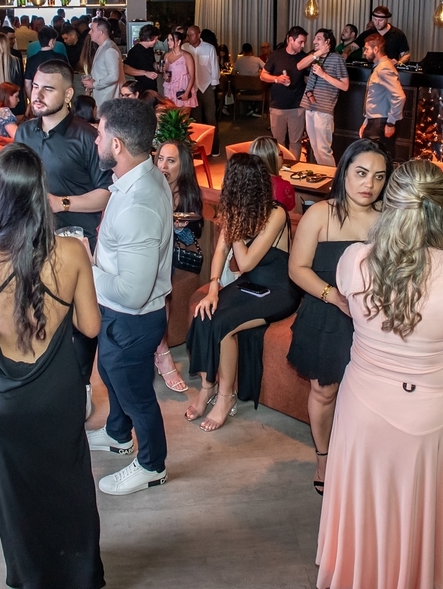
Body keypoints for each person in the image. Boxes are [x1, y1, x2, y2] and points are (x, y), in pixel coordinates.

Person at [0, 144, 105, 586]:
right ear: (39, 193)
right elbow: (90, 326)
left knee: (15, 493)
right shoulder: (71, 252)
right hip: (58, 395)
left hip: (4, 401)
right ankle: (79, 573)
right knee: (68, 483)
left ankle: (30, 575)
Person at [316, 160, 443, 589]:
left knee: (364, 504)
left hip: (363, 407)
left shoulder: (355, 259)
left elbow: (355, 312)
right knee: (417, 511)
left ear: (390, 202)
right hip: (429, 417)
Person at [286, 140, 388, 495]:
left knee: (369, 394)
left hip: (372, 319)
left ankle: (362, 455)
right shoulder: (320, 214)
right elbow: (297, 268)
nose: (369, 184)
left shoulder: (387, 220)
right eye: (361, 173)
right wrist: (335, 297)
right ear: (344, 172)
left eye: (379, 176)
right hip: (327, 312)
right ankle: (324, 457)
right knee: (324, 390)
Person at [85, 99, 174, 497]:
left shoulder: (139, 203)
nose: (96, 140)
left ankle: (152, 465)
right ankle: (118, 435)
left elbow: (132, 293)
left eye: (100, 133)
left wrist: (84, 268)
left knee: (137, 395)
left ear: (117, 144)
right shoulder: (139, 176)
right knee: (111, 375)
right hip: (120, 316)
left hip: (131, 319)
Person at [15, 59, 113, 416]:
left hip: (74, 243)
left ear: (69, 94)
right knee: (36, 314)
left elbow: (107, 193)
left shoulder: (87, 136)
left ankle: (80, 388)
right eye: (35, 87)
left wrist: (60, 202)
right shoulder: (24, 133)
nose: (37, 95)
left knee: (79, 322)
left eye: (48, 88)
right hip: (30, 239)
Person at [187, 153, 302, 430]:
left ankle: (226, 397)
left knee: (223, 324)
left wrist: (235, 224)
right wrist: (213, 288)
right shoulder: (236, 212)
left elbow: (246, 262)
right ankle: (207, 386)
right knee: (205, 313)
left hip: (277, 289)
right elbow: (220, 251)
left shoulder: (275, 213)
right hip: (250, 285)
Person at [154, 140, 202, 394]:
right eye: (160, 158)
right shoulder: (150, 187)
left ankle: (161, 352)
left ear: (182, 166)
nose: (163, 165)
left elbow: (194, 235)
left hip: (171, 256)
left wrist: (178, 230)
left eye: (170, 161)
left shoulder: (186, 196)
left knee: (160, 284)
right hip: (147, 250)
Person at [301, 28, 351, 167]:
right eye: (314, 38)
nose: (314, 41)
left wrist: (323, 75)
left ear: (327, 42)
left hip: (324, 108)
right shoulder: (314, 56)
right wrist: (317, 54)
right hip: (309, 105)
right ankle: (323, 175)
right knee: (315, 147)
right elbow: (299, 66)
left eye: (318, 38)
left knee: (323, 149)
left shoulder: (337, 59)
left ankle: (332, 177)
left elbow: (345, 86)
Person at [261, 26, 310, 153]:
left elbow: (307, 81)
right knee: (278, 142)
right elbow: (263, 75)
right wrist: (277, 79)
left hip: (297, 106)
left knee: (295, 142)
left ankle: (294, 164)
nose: (303, 45)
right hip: (277, 106)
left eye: (304, 42)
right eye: (300, 42)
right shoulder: (276, 55)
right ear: (290, 40)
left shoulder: (304, 58)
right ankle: (280, 164)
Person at [359, 33, 406, 157]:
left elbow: (399, 96)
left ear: (376, 49)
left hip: (380, 123)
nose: (364, 52)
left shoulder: (384, 68)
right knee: (371, 159)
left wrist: (391, 123)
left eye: (366, 49)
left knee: (377, 159)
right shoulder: (380, 67)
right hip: (375, 121)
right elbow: (375, 97)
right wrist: (366, 122)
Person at [185, 26, 222, 153]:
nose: (189, 37)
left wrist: (214, 85)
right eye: (188, 35)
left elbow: (215, 67)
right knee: (196, 120)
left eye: (192, 35)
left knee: (211, 118)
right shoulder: (185, 48)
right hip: (192, 88)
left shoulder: (209, 48)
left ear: (198, 34)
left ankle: (214, 147)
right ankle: (199, 149)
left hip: (207, 87)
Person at [250, 136, 296, 211]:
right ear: (272, 158)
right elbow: (292, 215)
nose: (282, 157)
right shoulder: (284, 186)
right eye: (280, 153)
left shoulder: (247, 183)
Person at [89, 18, 123, 109]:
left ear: (100, 33)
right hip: (103, 96)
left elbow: (113, 76)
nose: (89, 32)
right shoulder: (103, 47)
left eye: (92, 30)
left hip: (108, 98)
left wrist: (94, 84)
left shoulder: (109, 49)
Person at [162, 29, 198, 110]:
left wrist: (187, 93)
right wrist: (165, 75)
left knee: (183, 116)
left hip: (183, 88)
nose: (168, 42)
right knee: (170, 115)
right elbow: (165, 74)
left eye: (171, 40)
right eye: (168, 40)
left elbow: (192, 77)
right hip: (170, 89)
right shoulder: (166, 56)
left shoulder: (187, 56)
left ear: (179, 41)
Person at [123, 24, 160, 93]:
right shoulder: (135, 51)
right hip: (141, 88)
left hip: (152, 86)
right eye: (156, 39)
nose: (157, 41)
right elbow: (126, 69)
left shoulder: (150, 49)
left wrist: (157, 66)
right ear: (148, 38)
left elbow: (151, 63)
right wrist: (145, 73)